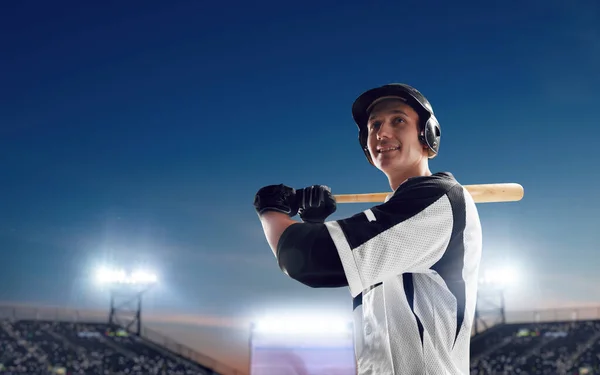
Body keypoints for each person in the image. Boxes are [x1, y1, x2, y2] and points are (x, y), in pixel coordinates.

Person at [253, 83, 483, 374]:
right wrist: (313, 226)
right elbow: (335, 264)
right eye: (374, 125)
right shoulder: (401, 210)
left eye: (398, 120)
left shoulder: (437, 198)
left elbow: (309, 260)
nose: (381, 133)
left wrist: (271, 212)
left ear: (428, 136)